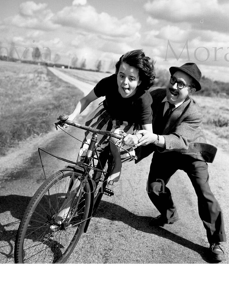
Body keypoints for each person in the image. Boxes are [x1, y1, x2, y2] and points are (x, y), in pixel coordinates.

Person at [125, 62, 226, 263]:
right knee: (154, 188)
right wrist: (133, 148)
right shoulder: (156, 95)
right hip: (165, 150)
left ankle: (216, 241)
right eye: (173, 81)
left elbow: (178, 140)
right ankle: (168, 215)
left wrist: (153, 139)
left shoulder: (193, 113)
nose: (174, 87)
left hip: (190, 153)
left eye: (181, 84)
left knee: (203, 192)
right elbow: (141, 117)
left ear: (191, 90)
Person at [52, 49, 155, 227]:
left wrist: (136, 138)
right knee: (84, 158)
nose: (124, 82)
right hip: (105, 117)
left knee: (115, 144)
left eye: (131, 78)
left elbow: (148, 133)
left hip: (127, 127)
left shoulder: (143, 99)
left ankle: (112, 168)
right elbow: (85, 100)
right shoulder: (108, 83)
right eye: (121, 76)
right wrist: (72, 116)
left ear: (140, 81)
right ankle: (68, 203)